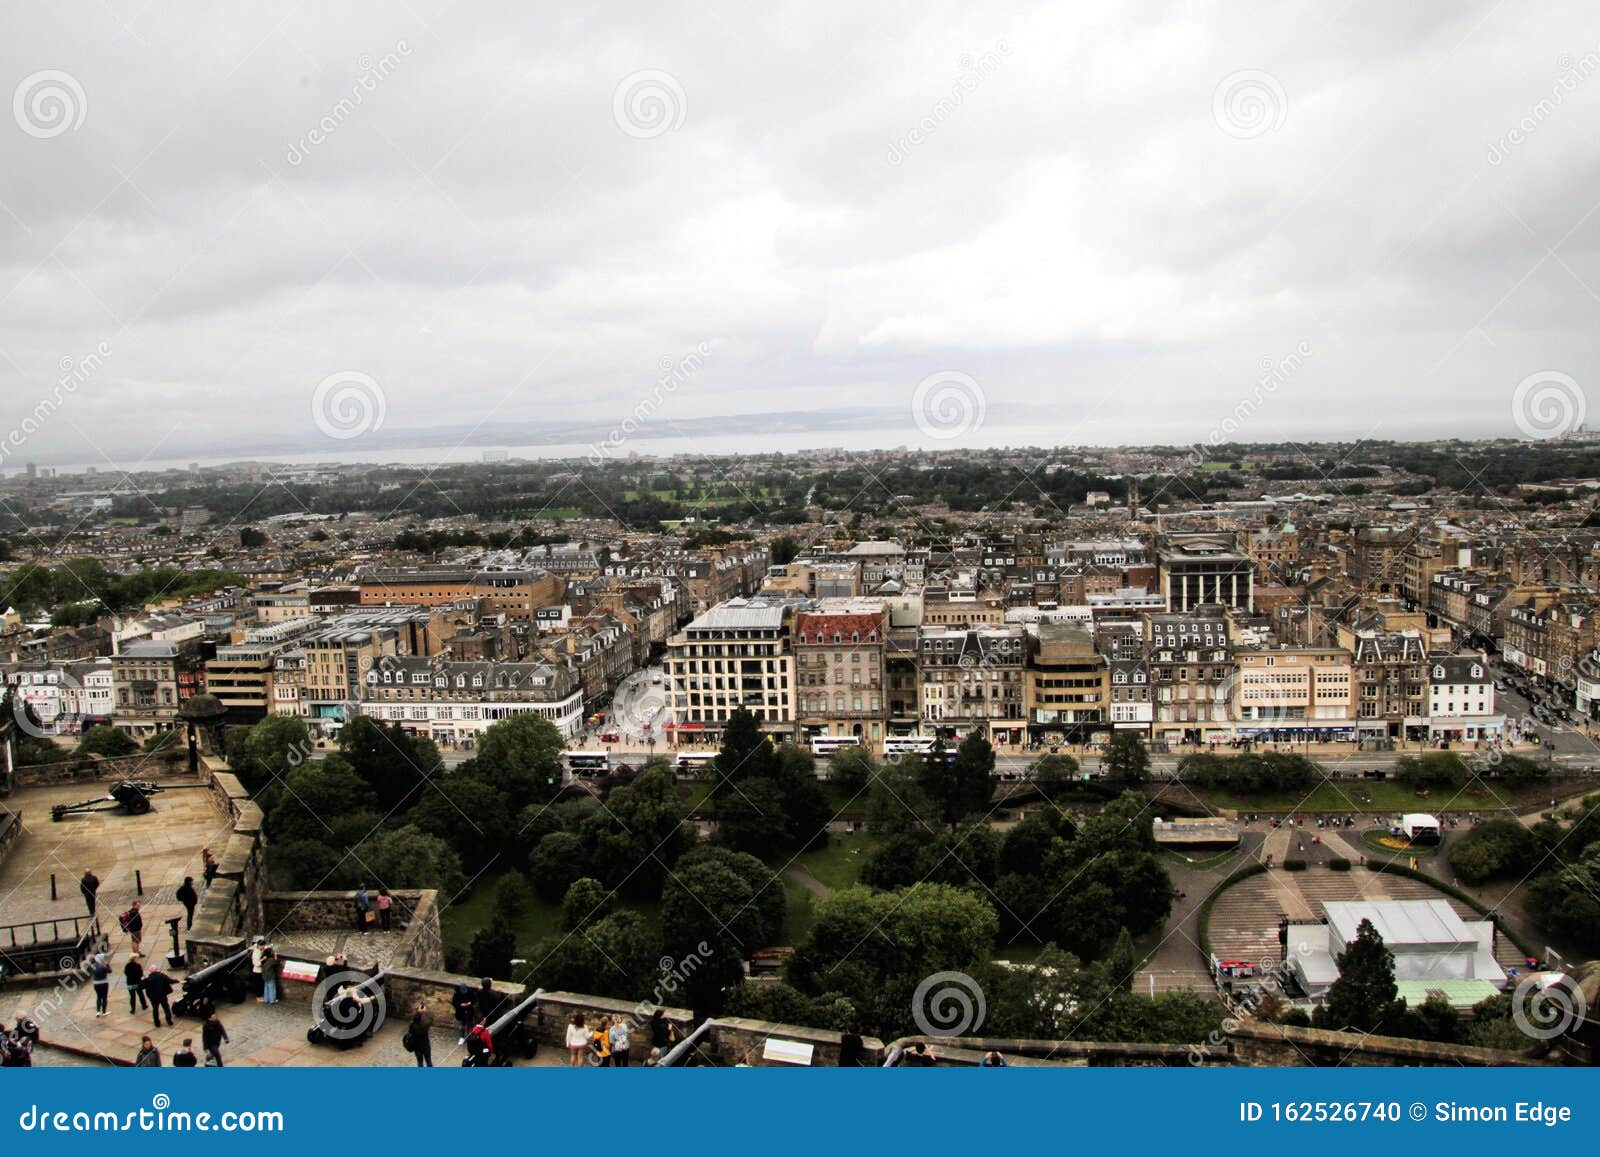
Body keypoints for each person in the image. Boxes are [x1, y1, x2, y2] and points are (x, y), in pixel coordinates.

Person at [406, 1002, 434, 1068]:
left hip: (417, 1046)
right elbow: (431, 1019)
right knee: (428, 1061)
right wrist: (424, 1012)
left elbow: (412, 1019)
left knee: (420, 1062)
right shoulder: (425, 1025)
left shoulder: (412, 1025)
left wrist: (418, 1012)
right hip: (425, 1045)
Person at [89, 952, 111, 1016]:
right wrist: (108, 965)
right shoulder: (102, 966)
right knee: (104, 997)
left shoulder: (92, 966)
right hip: (104, 983)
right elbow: (109, 971)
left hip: (96, 984)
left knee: (98, 997)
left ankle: (98, 1011)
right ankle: (104, 1012)